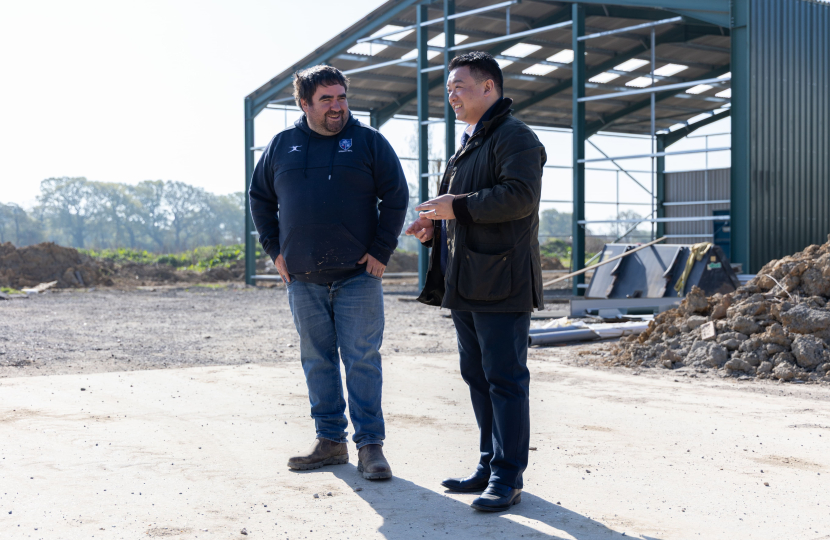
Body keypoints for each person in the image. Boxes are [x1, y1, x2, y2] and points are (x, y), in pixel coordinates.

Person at [249, 65, 408, 480]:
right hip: (302, 278)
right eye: (326, 99)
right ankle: (330, 441)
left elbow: (396, 196)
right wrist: (273, 249)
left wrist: (382, 250)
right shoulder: (282, 145)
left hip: (358, 275)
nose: (337, 106)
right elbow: (260, 198)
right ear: (304, 104)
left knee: (362, 360)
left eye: (341, 97)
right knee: (317, 360)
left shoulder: (369, 143)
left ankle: (370, 446)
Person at [405, 51, 546, 511]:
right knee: (478, 377)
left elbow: (519, 197)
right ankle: (488, 465)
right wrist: (435, 225)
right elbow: (461, 208)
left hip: (501, 281)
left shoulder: (515, 137)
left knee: (505, 379)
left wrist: (457, 207)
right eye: (448, 88)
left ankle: (509, 476)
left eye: (459, 86)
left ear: (489, 87)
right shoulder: (468, 143)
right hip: (465, 282)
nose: (452, 95)